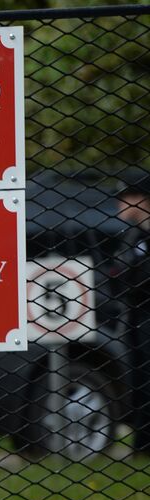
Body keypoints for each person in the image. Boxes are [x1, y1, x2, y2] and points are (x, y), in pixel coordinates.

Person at [113, 174, 150, 453]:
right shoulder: (133, 234)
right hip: (135, 317)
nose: (120, 204)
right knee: (139, 381)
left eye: (124, 197)